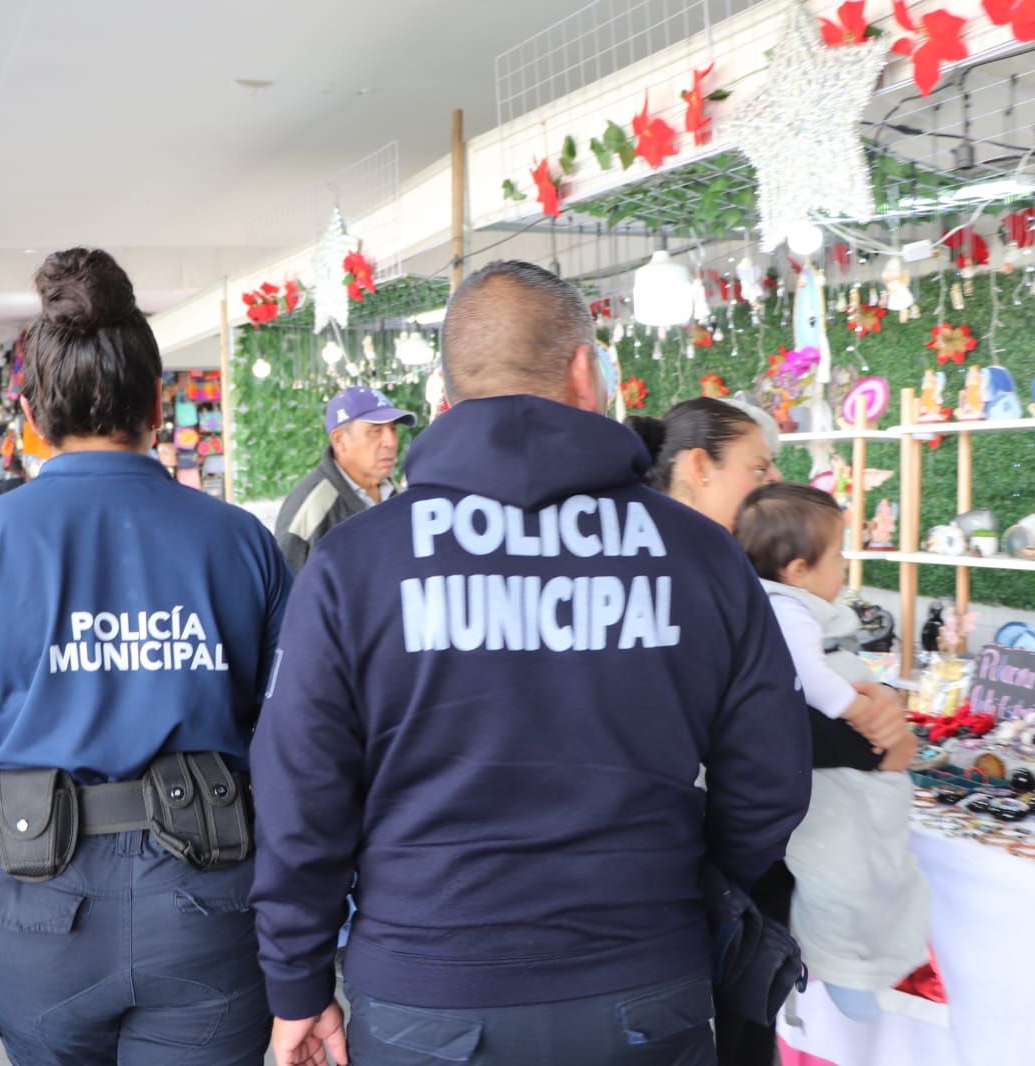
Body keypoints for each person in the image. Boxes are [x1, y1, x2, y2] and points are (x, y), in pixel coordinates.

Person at [250, 259, 811, 1066]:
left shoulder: (353, 564)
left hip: (426, 996)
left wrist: (297, 984)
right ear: (586, 371)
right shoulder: (699, 555)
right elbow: (770, 779)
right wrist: (675, 880)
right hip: (643, 982)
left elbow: (301, 794)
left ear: (447, 394)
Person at [0, 247, 291, 1064]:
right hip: (209, 909)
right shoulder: (241, 542)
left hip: (37, 913)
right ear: (158, 406)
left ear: (29, 412)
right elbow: (296, 749)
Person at [625, 398, 903, 1066]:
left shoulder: (725, 570)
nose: (773, 480)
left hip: (738, 877)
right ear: (698, 467)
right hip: (699, 876)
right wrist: (870, 738)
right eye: (759, 465)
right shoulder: (670, 572)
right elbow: (737, 726)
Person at [734, 483, 926, 1022]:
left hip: (840, 771)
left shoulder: (770, 603)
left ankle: (857, 966)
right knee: (846, 870)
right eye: (839, 556)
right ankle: (849, 969)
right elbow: (810, 681)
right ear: (797, 569)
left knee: (856, 865)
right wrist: (863, 712)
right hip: (831, 783)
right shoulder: (788, 610)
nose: (844, 567)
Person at [273, 385, 417, 572]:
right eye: (375, 430)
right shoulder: (311, 507)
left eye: (393, 429)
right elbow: (287, 591)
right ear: (339, 440)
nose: (390, 442)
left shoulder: (399, 497)